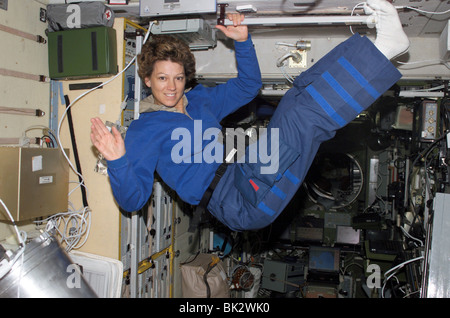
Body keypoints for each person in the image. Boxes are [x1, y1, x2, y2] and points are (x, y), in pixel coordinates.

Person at [90, 0, 409, 232]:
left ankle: (377, 45)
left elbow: (248, 87)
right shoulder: (144, 130)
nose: (172, 88)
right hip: (237, 201)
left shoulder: (199, 101)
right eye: (162, 79)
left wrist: (242, 42)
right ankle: (385, 48)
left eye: (178, 77)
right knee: (302, 118)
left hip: (243, 175)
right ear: (147, 80)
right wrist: (117, 160)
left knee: (297, 96)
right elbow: (133, 201)